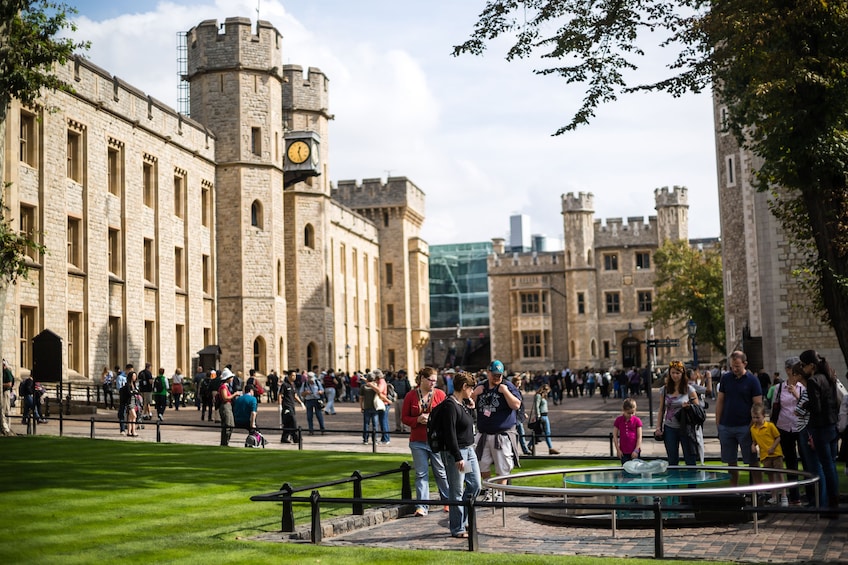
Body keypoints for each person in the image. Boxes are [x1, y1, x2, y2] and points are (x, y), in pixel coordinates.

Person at [435, 371, 481, 538]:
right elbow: (450, 433)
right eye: (471, 388)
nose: (472, 392)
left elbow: (471, 424)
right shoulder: (450, 405)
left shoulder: (462, 404)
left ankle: (465, 519)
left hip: (469, 450)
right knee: (456, 489)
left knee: (475, 485)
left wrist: (472, 408)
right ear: (464, 387)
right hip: (458, 452)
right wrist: (457, 457)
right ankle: (457, 527)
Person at [401, 366, 450, 517]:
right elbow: (404, 418)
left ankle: (449, 501)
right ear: (422, 379)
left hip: (436, 441)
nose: (433, 383)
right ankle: (422, 506)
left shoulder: (440, 395)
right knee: (421, 474)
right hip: (418, 441)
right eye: (430, 380)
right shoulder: (410, 396)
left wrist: (433, 420)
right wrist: (417, 419)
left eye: (435, 381)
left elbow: (447, 415)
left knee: (441, 472)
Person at [472, 360, 522, 502]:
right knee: (481, 463)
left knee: (503, 465)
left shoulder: (508, 386)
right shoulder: (481, 386)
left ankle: (500, 493)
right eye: (494, 375)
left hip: (502, 434)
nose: (497, 378)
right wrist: (475, 394)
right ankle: (489, 489)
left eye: (499, 375)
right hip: (483, 433)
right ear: (488, 373)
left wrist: (505, 391)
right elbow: (468, 403)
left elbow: (516, 405)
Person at [798, 349, 840, 516]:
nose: (802, 368)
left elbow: (816, 408)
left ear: (811, 365)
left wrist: (805, 405)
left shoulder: (814, 381)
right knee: (831, 466)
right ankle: (833, 502)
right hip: (831, 425)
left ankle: (829, 505)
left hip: (821, 427)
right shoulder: (829, 378)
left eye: (803, 365)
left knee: (826, 466)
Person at [715, 350, 762, 486]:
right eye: (732, 366)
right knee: (731, 461)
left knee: (752, 460)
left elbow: (757, 405)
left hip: (745, 426)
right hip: (726, 425)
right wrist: (718, 423)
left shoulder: (752, 381)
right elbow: (720, 401)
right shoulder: (726, 378)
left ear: (745, 364)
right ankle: (733, 490)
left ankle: (759, 489)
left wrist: (753, 426)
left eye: (737, 366)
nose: (734, 369)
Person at [772, 356, 806, 505]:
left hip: (801, 427)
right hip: (784, 427)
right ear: (787, 370)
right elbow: (775, 406)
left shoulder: (803, 387)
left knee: (806, 460)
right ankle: (794, 497)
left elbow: (806, 406)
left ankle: (812, 494)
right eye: (793, 369)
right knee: (791, 461)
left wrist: (796, 395)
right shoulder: (779, 388)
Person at [655, 360, 700, 466]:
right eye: (673, 373)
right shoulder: (664, 390)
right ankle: (673, 482)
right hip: (670, 427)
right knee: (672, 460)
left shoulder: (689, 389)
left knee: (690, 459)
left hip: (686, 428)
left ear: (682, 374)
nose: (675, 375)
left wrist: (689, 407)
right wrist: (658, 427)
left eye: (678, 373)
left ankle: (692, 482)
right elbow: (661, 409)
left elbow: (698, 410)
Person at [750, 403, 788, 506]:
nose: (756, 419)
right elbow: (755, 440)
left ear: (763, 416)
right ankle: (774, 496)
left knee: (780, 475)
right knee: (770, 476)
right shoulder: (753, 429)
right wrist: (753, 445)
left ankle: (784, 496)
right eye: (754, 417)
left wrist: (773, 447)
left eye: (758, 417)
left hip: (776, 454)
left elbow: (778, 437)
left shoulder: (770, 426)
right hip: (765, 456)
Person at [533, 384, 560, 455]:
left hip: (545, 415)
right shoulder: (538, 396)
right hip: (542, 416)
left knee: (541, 433)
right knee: (545, 432)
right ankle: (550, 448)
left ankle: (530, 445)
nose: (547, 393)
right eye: (547, 391)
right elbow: (536, 406)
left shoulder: (543, 396)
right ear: (544, 390)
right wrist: (538, 416)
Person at [614, 398, 643, 463]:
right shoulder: (618, 420)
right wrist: (618, 449)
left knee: (635, 470)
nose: (631, 415)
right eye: (628, 413)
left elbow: (639, 437)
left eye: (632, 413)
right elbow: (615, 436)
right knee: (625, 469)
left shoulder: (637, 420)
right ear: (623, 410)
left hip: (634, 450)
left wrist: (636, 450)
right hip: (623, 451)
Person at [279, 370, 304, 444]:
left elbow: (295, 395)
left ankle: (284, 438)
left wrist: (301, 403)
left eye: (295, 375)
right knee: (293, 421)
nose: (295, 377)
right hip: (287, 406)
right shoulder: (285, 385)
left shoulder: (293, 385)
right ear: (289, 376)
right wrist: (279, 405)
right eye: (293, 375)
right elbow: (280, 394)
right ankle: (296, 438)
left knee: (288, 423)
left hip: (292, 405)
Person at [217, 371, 241, 446]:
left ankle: (226, 442)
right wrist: (235, 394)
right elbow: (225, 398)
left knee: (230, 424)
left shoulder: (226, 386)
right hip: (225, 406)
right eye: (231, 377)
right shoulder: (223, 387)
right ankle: (224, 443)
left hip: (228, 406)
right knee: (227, 425)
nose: (232, 379)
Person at [360, 373, 381, 444]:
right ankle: (374, 440)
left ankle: (365, 439)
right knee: (375, 424)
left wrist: (361, 406)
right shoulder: (375, 386)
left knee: (366, 424)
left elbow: (361, 398)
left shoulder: (363, 387)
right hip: (374, 407)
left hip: (367, 407)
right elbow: (379, 391)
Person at [1, 359, 15, 436]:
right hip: (2, 392)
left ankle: (7, 427)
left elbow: (9, 384)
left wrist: (1, 385)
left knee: (6, 409)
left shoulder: (7, 372)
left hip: (5, 392)